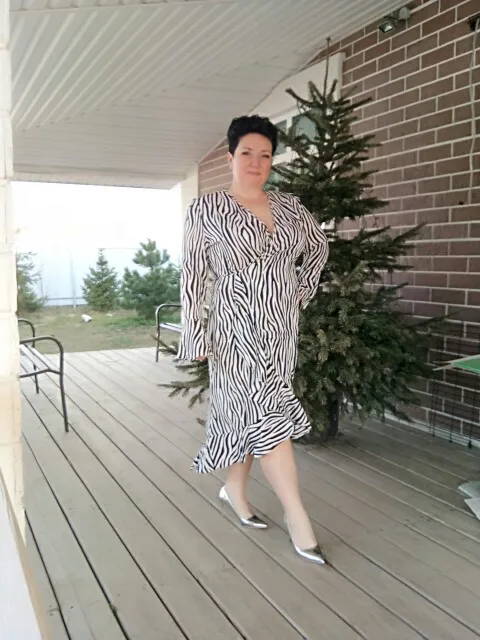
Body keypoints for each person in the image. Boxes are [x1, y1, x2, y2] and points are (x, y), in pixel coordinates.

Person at [177, 114, 329, 564]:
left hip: (280, 329)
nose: (256, 162)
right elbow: (192, 277)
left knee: (247, 412)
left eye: (265, 155)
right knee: (267, 412)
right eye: (247, 153)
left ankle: (234, 488)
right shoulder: (206, 210)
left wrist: (301, 290)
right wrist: (195, 334)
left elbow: (318, 248)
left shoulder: (289, 207)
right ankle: (297, 517)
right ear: (231, 157)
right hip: (234, 329)